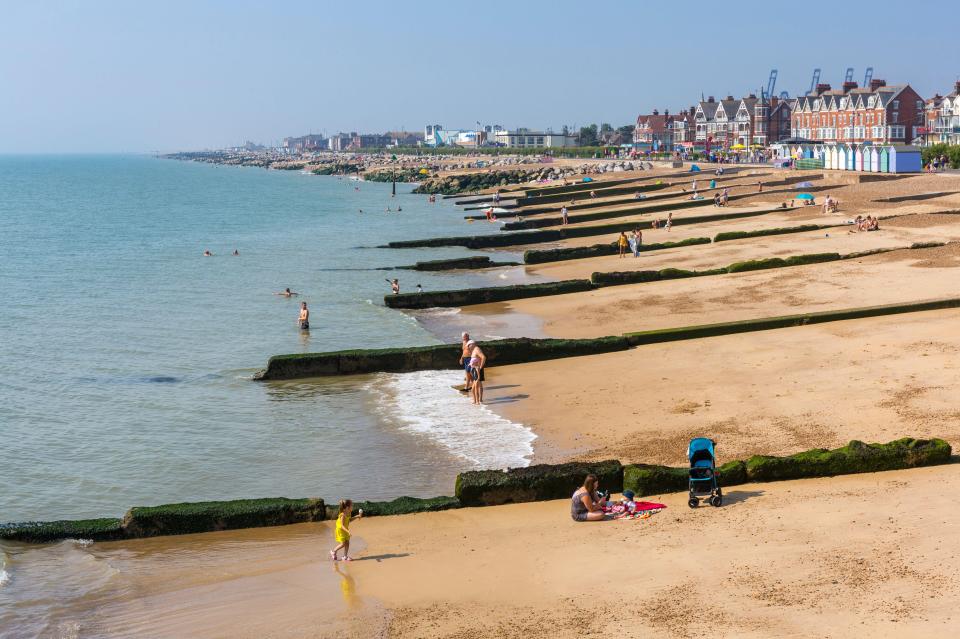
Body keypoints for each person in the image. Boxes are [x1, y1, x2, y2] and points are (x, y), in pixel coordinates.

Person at [467, 340, 486, 405]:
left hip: (477, 369)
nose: (468, 347)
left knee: (475, 386)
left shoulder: (477, 349)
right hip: (474, 369)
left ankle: (477, 401)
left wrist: (480, 367)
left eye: (469, 345)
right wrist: (470, 364)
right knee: (478, 385)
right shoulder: (474, 350)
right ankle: (478, 400)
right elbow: (474, 360)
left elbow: (483, 357)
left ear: (473, 344)